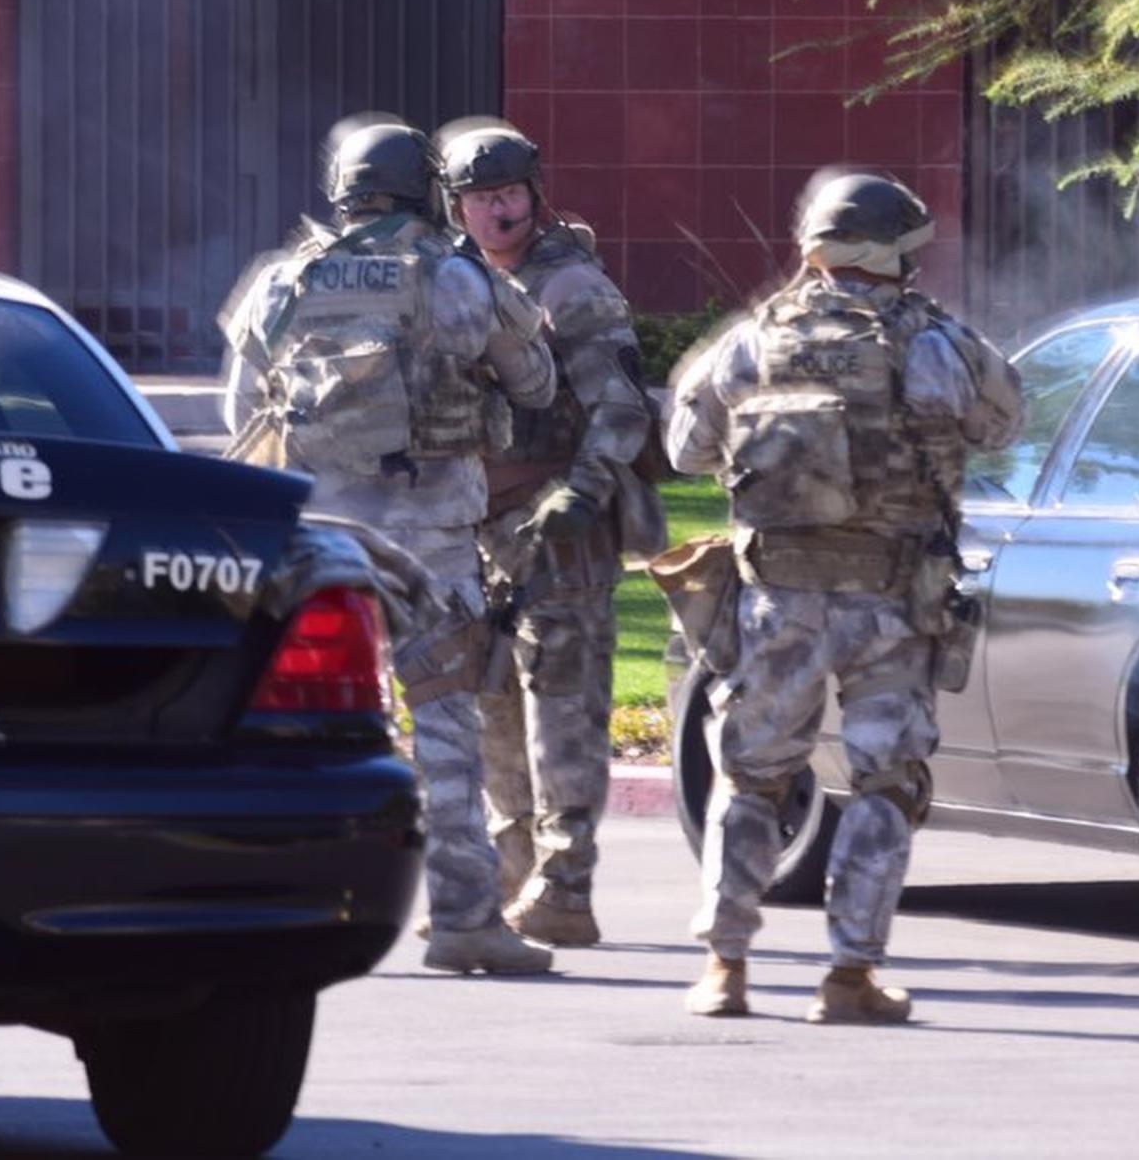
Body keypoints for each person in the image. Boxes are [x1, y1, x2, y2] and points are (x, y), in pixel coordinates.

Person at [666, 171, 1022, 1023]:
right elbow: (1003, 424)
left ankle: (725, 967)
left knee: (751, 777)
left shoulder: (752, 340)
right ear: (895, 252)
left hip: (777, 597)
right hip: (895, 600)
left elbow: (684, 448)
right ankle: (849, 976)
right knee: (885, 781)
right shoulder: (936, 342)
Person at [221, 114, 560, 975]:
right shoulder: (454, 276)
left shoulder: (281, 280)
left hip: (320, 539)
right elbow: (537, 382)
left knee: (289, 724)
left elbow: (239, 417)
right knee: (444, 719)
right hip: (432, 537)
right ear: (425, 187)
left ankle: (274, 911)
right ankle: (464, 920)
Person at [437, 118, 663, 948]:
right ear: (455, 204)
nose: (498, 210)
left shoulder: (574, 289)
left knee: (562, 707)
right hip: (478, 527)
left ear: (536, 193)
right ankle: (511, 877)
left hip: (561, 527)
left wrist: (581, 492)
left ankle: (565, 884)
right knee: (491, 699)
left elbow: (622, 410)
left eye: (510, 193)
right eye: (480, 196)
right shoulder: (455, 284)